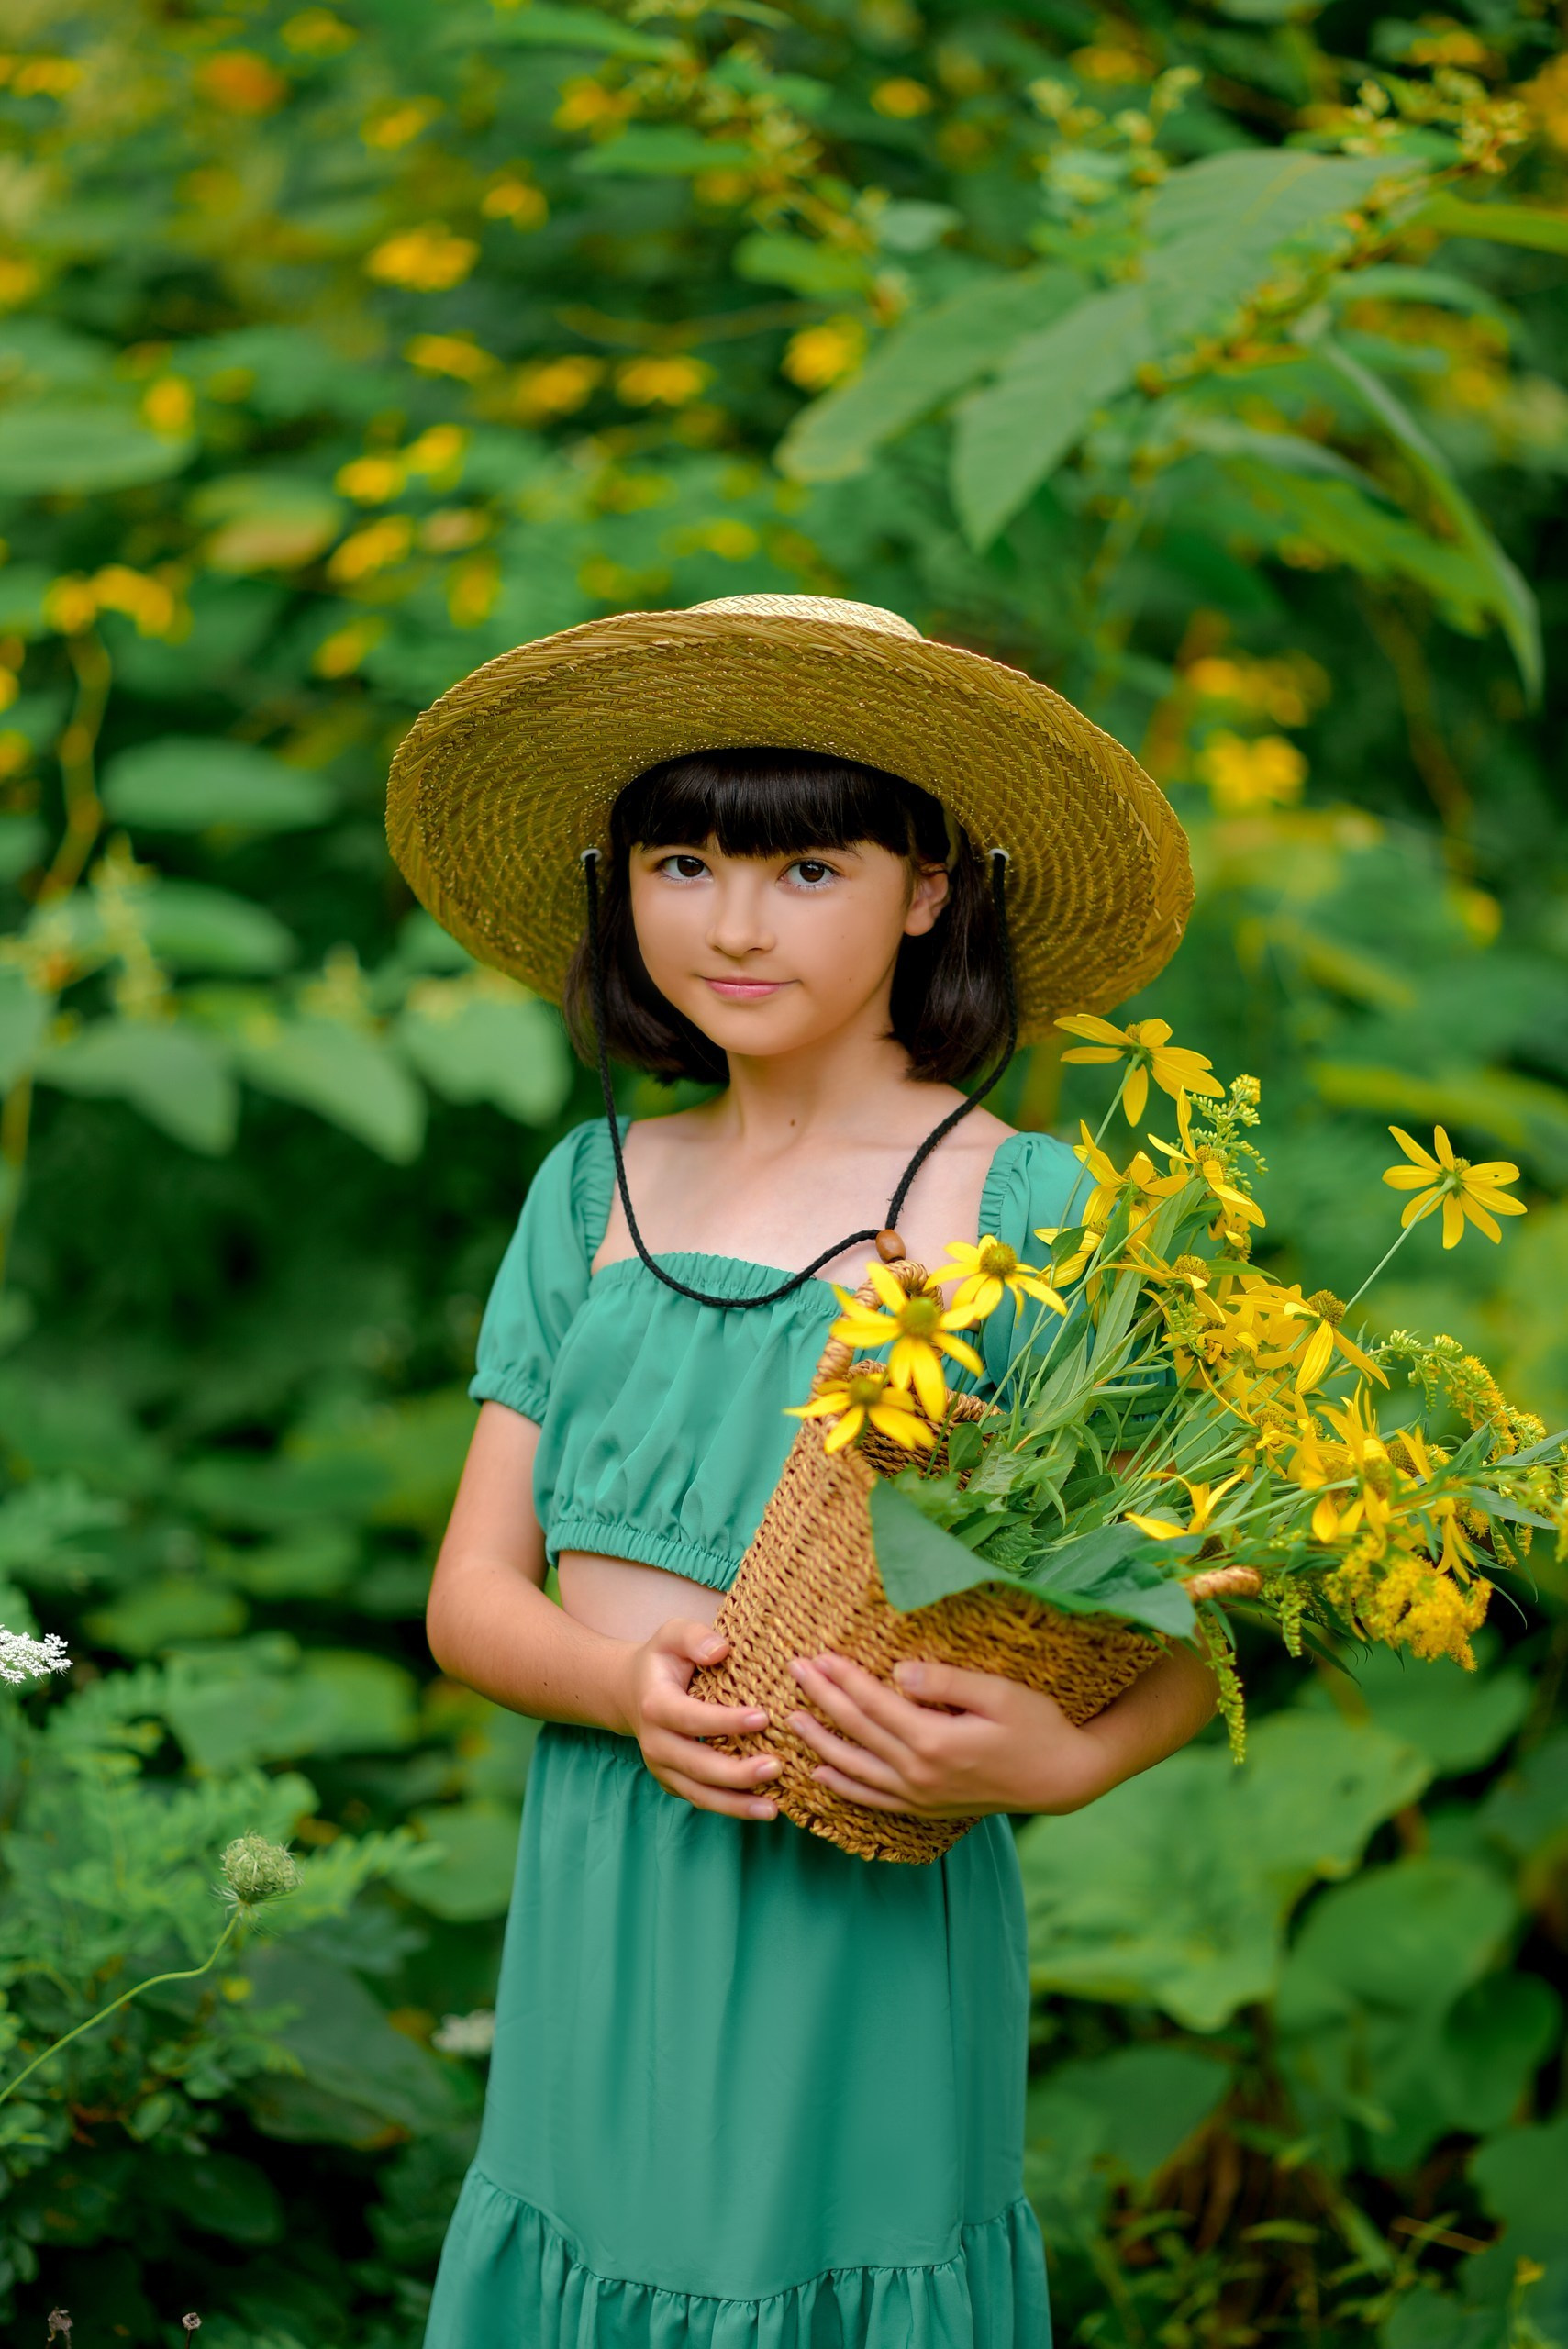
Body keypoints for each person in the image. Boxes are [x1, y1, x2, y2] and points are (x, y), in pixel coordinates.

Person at [388, 595, 1217, 2346]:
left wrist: (1059, 1766)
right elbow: (471, 1594)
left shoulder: (1025, 1212)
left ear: (928, 887)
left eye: (809, 870)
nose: (734, 924)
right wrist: (624, 1688)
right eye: (679, 865)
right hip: (612, 1856)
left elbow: (1179, 1617)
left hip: (866, 1881)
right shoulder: (591, 1189)